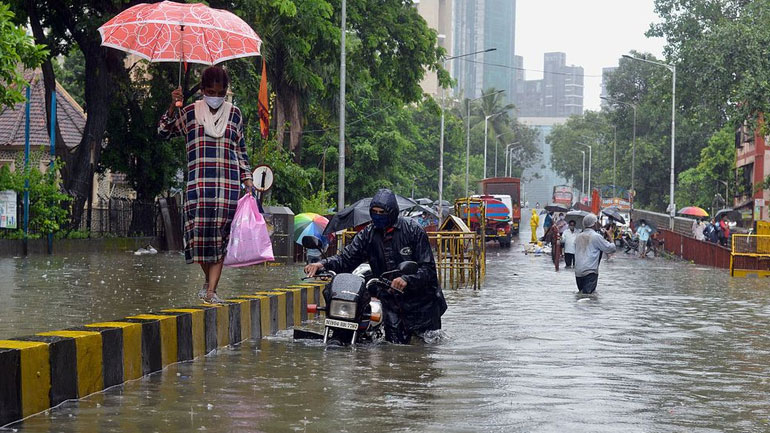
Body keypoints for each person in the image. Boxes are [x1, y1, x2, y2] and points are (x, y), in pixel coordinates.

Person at [158, 66, 253, 303]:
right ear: (202, 90)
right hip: (199, 188)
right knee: (199, 239)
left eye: (220, 93)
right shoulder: (189, 112)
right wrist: (173, 105)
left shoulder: (235, 114)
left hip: (227, 186)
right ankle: (207, 281)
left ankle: (211, 291)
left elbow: (241, 150)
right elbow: (163, 132)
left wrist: (247, 178)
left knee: (221, 240)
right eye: (211, 91)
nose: (215, 96)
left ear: (226, 92)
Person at [304, 189, 447, 344]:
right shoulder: (368, 234)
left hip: (421, 304)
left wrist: (407, 279)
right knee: (394, 348)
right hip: (391, 300)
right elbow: (346, 258)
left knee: (424, 351)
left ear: (392, 212)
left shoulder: (413, 230)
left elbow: (428, 269)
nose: (378, 215)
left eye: (382, 212)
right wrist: (322, 264)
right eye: (375, 212)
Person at [574, 214, 616, 294]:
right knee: (588, 297)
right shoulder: (596, 236)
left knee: (582, 294)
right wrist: (610, 236)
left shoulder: (578, 236)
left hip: (578, 272)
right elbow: (611, 248)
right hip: (590, 272)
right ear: (594, 224)